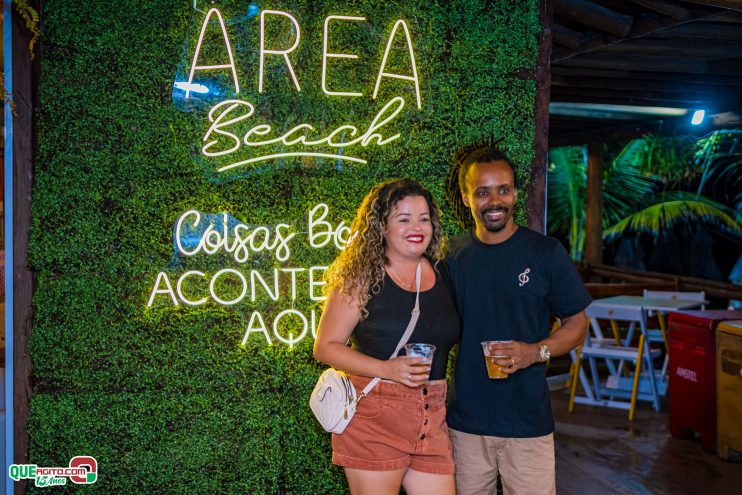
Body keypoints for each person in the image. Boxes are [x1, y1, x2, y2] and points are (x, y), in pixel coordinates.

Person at [444, 143, 592, 495]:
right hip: (466, 423)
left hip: (528, 422)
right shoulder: (450, 257)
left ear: (514, 193)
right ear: (467, 198)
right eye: (482, 192)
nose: (494, 201)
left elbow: (577, 324)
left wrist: (534, 352)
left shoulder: (545, 253)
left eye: (503, 190)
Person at [314, 178, 460, 495]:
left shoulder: (443, 272)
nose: (416, 227)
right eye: (403, 219)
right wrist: (387, 369)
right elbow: (325, 347)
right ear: (382, 227)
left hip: (431, 414)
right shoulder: (360, 277)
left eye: (424, 219)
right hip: (374, 417)